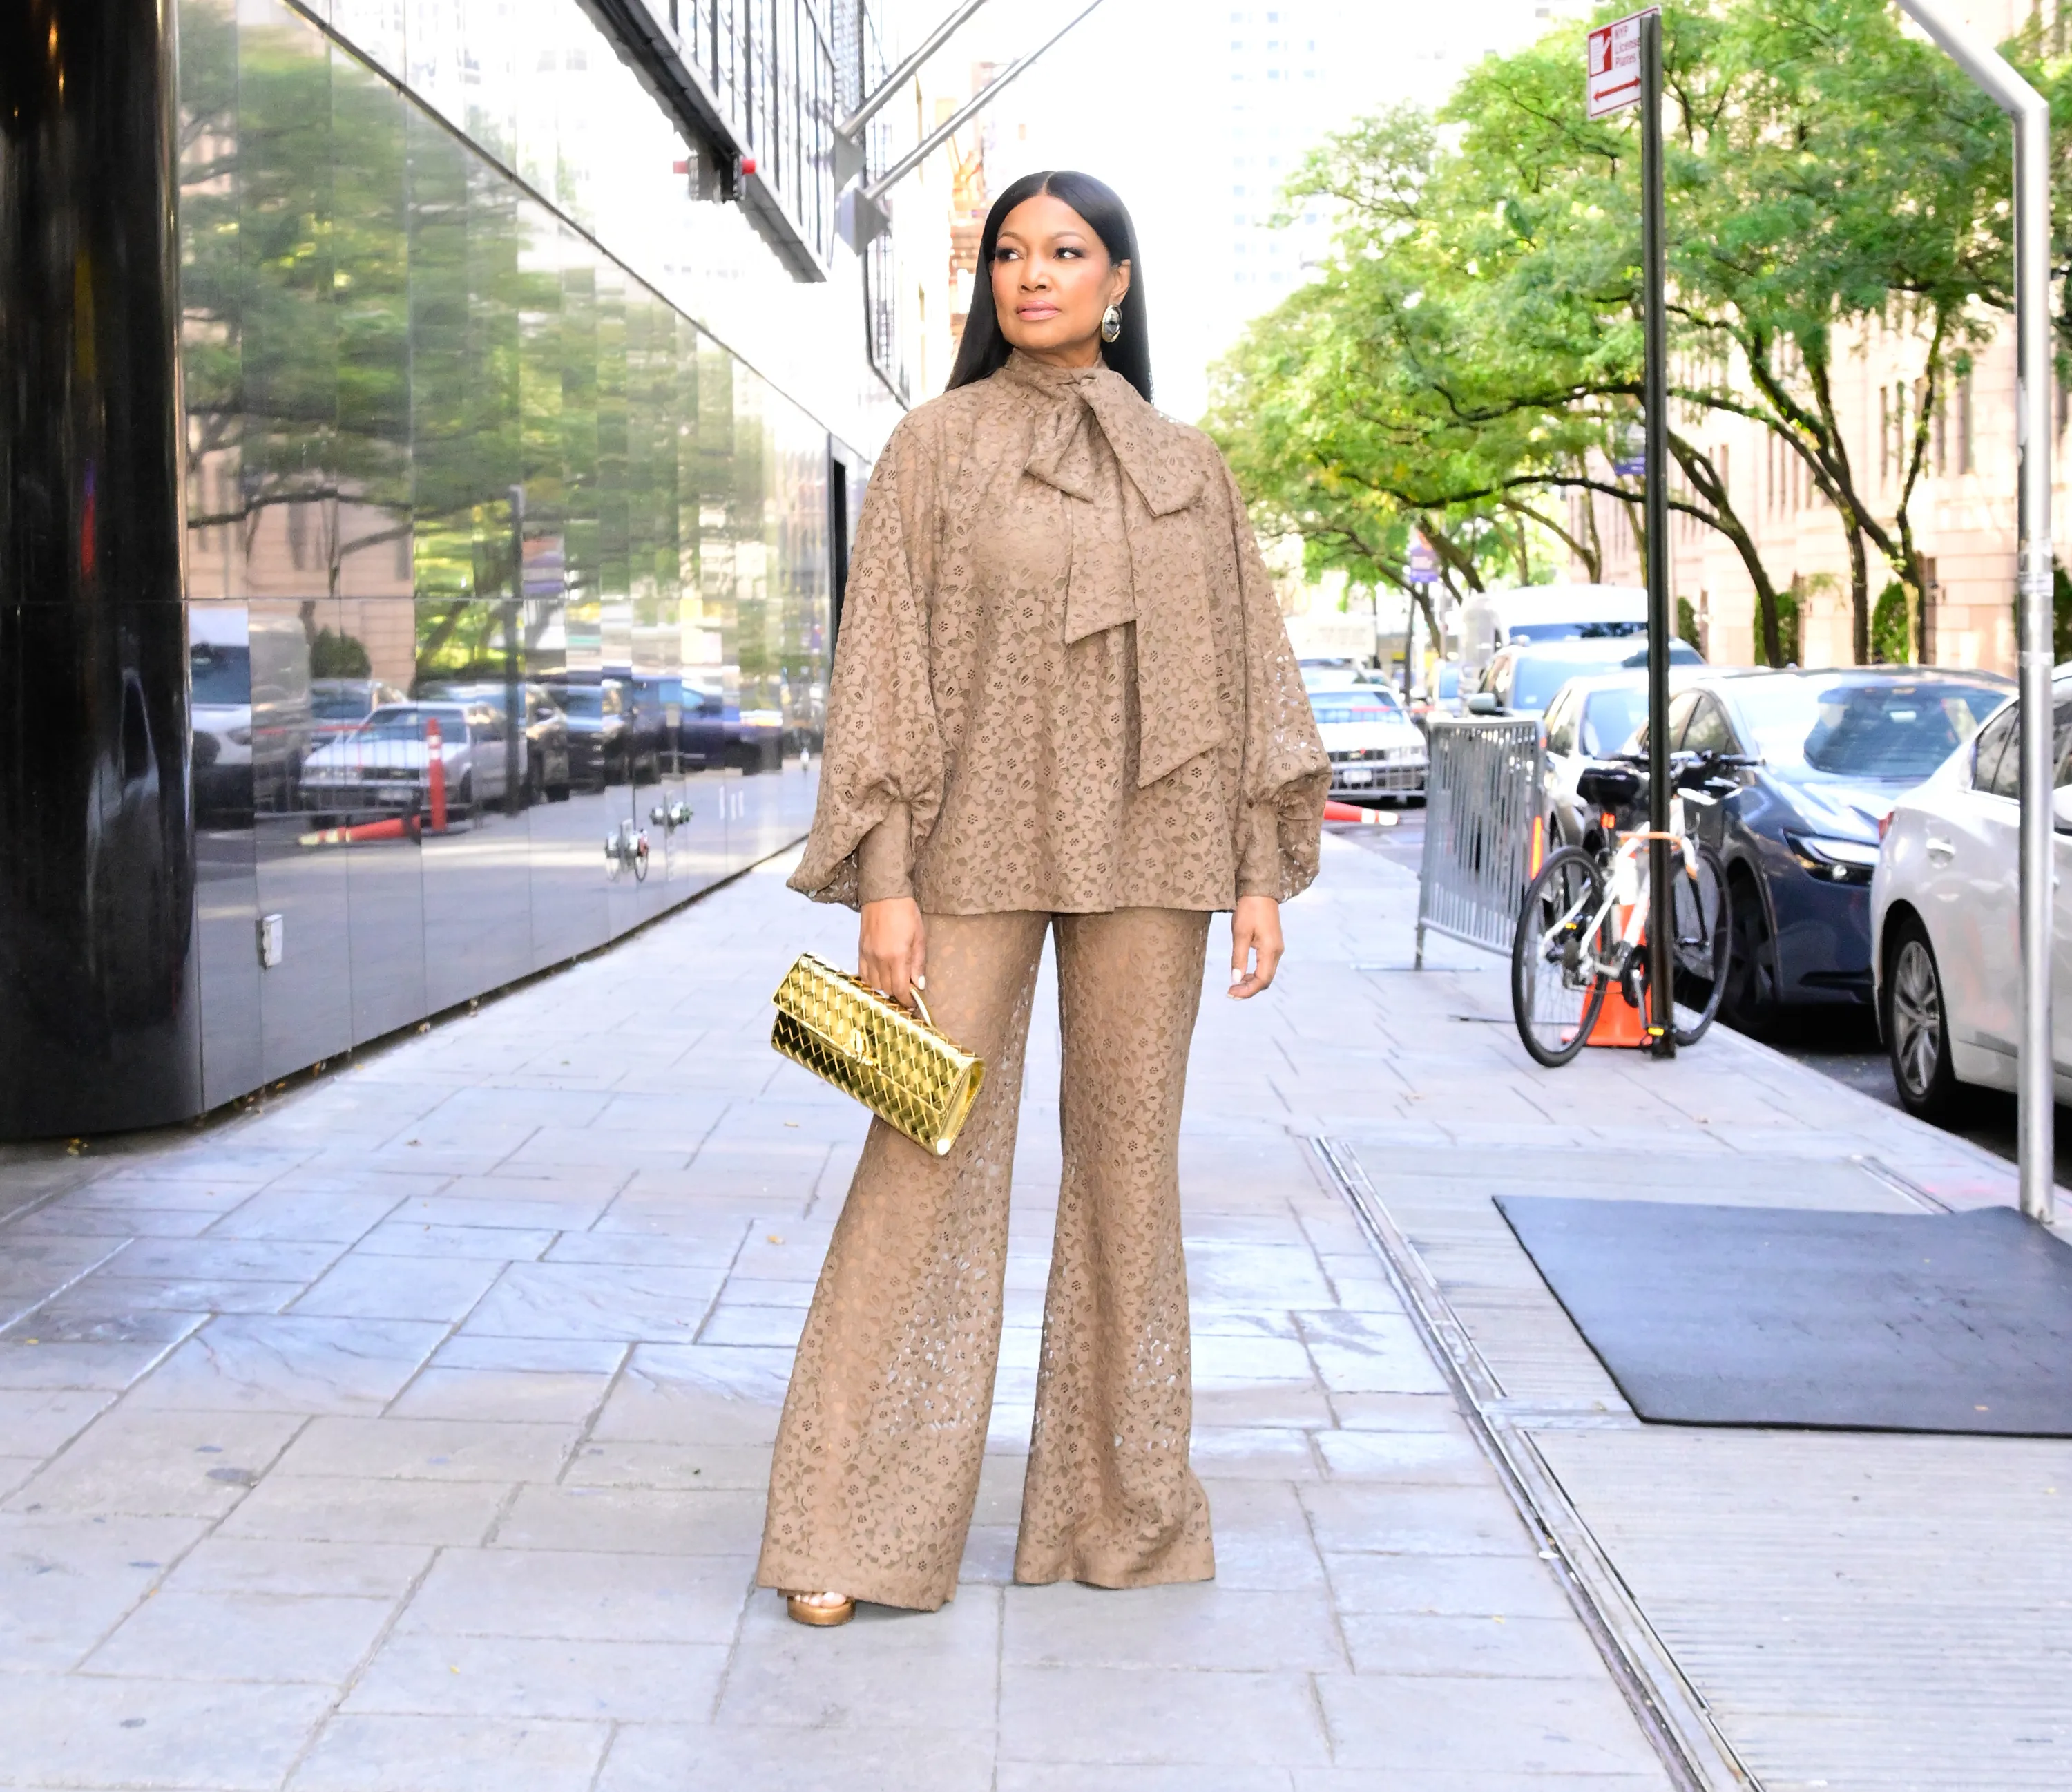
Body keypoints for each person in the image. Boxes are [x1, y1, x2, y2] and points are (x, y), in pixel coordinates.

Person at [756, 169, 1328, 1626]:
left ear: (1119, 281)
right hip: (966, 847)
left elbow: (1255, 670)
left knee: (1132, 1174)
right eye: (1010, 253)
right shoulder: (932, 449)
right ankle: (845, 1534)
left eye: (1066, 252)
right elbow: (882, 665)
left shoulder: (1190, 464)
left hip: (1161, 848)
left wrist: (1260, 865)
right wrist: (885, 878)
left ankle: (1121, 1519)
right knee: (917, 1152)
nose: (1034, 275)